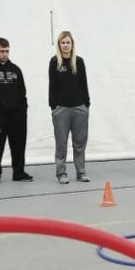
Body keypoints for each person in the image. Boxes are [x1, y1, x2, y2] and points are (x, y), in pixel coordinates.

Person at [0, 38, 33, 185]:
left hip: (17, 117)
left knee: (18, 145)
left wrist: (23, 112)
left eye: (7, 51)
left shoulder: (16, 69)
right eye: (2, 51)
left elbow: (22, 93)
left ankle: (19, 172)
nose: (5, 54)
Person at [49, 31, 90, 184]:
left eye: (68, 42)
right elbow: (52, 86)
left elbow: (83, 84)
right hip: (61, 110)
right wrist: (53, 106)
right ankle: (61, 174)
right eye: (63, 43)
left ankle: (81, 172)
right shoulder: (55, 62)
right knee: (61, 143)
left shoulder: (78, 62)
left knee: (79, 143)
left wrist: (86, 104)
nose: (66, 45)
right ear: (59, 45)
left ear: (72, 44)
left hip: (80, 108)